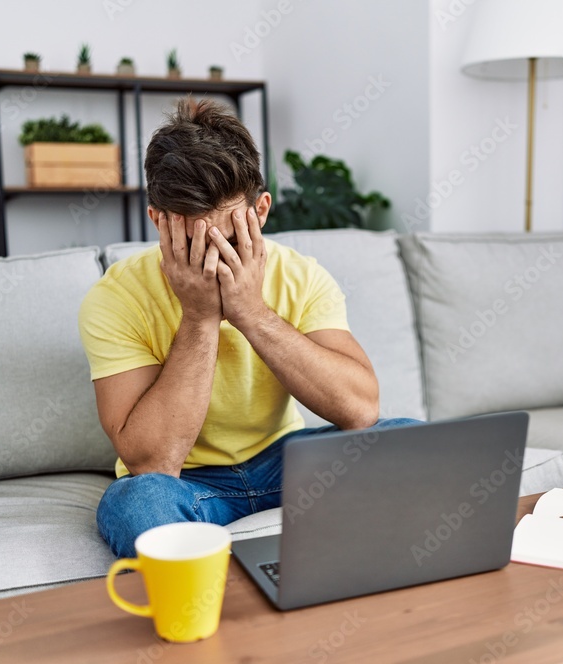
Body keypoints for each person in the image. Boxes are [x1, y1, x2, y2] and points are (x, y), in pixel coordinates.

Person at [78, 98, 417, 558]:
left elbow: (360, 410)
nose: (215, 262)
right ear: (158, 220)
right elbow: (153, 461)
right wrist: (199, 318)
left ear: (260, 211)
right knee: (135, 502)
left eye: (231, 240)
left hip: (288, 460)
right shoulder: (115, 297)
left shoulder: (300, 275)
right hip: (188, 481)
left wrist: (251, 312)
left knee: (409, 442)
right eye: (195, 243)